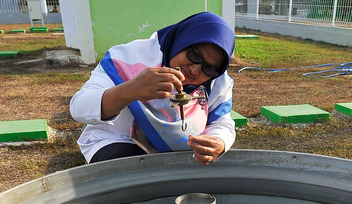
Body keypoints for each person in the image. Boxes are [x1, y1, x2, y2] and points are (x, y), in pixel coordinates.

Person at [70, 12, 236, 165]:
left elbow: (221, 121)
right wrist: (131, 90)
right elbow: (78, 108)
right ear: (182, 39)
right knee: (130, 174)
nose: (195, 70)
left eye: (209, 68)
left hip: (184, 150)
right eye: (194, 56)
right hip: (119, 140)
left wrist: (218, 141)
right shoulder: (127, 58)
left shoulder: (218, 82)